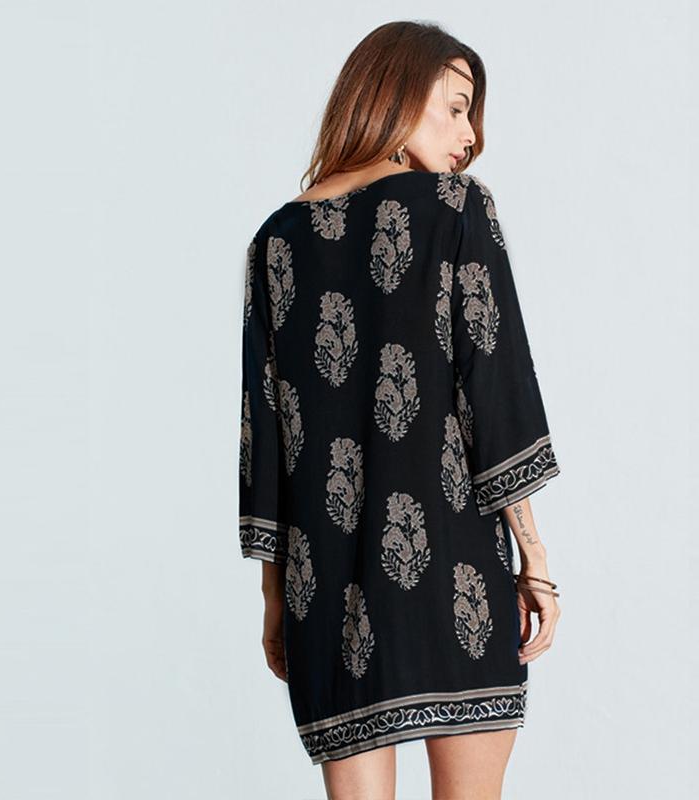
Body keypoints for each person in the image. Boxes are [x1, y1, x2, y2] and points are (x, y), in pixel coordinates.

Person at [238, 20, 562, 799]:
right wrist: (536, 562)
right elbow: (494, 391)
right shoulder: (456, 209)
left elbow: (266, 436)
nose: (470, 136)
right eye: (456, 107)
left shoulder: (275, 241)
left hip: (327, 594)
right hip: (454, 572)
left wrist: (276, 600)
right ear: (395, 93)